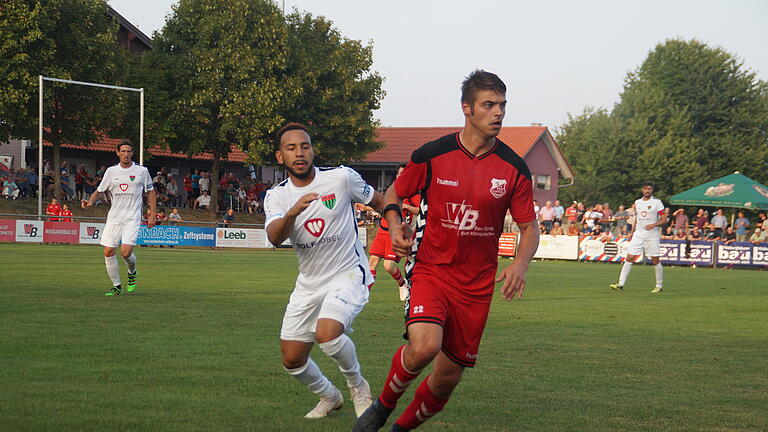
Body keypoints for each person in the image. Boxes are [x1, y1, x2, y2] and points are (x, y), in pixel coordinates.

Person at [354, 70, 539, 432]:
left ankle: (399, 429)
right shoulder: (433, 155)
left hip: (476, 286)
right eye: (489, 105)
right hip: (431, 270)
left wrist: (521, 263)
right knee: (423, 347)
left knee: (447, 378)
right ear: (466, 108)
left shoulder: (515, 169)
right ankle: (381, 408)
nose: (498, 112)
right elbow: (392, 194)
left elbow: (530, 228)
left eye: (502, 105)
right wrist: (393, 224)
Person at [264, 122, 388, 420]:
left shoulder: (341, 178)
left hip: (348, 273)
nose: (299, 153)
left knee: (328, 335)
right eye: (291, 148)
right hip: (309, 283)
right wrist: (294, 211)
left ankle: (358, 387)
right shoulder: (276, 196)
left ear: (312, 150)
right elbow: (274, 237)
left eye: (305, 146)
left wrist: (395, 224)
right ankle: (330, 397)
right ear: (280, 157)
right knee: (292, 360)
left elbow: (380, 200)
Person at [82, 140, 156, 296]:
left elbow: (151, 192)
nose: (126, 154)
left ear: (132, 153)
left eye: (129, 151)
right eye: (123, 151)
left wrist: (152, 214)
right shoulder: (111, 171)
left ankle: (132, 271)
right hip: (114, 217)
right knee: (108, 251)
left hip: (132, 217)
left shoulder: (142, 171)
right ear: (117, 153)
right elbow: (100, 190)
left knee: (126, 252)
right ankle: (116, 286)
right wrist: (90, 202)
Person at [368, 163, 420, 301]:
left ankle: (402, 284)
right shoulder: (391, 192)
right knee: (372, 262)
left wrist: (407, 206)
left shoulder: (412, 194)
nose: (401, 176)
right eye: (399, 174)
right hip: (382, 231)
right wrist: (366, 208)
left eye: (404, 174)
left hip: (395, 232)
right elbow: (382, 208)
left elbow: (421, 210)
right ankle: (363, 295)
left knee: (388, 266)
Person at [610, 180, 667, 293]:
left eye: (649, 189)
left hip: (652, 235)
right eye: (645, 188)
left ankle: (659, 285)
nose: (647, 191)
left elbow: (664, 219)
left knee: (655, 260)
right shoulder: (638, 202)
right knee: (629, 257)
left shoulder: (657, 202)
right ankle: (620, 284)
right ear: (642, 190)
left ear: (652, 190)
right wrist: (632, 231)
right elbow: (638, 217)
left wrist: (654, 224)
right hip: (639, 234)